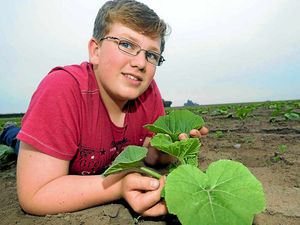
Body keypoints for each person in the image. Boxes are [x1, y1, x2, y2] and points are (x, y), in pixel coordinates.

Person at [5, 0, 208, 217]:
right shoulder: (62, 89)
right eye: (127, 44)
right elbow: (35, 194)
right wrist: (118, 186)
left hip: (97, 159)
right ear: (95, 51)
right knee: (16, 140)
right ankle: (9, 132)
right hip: (55, 150)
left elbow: (150, 154)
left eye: (151, 55)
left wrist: (169, 149)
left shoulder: (148, 92)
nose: (141, 62)